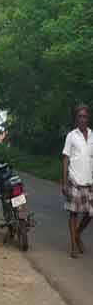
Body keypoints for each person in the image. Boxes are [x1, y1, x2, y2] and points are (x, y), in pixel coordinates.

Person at [61, 104, 93, 257]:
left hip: (88, 183)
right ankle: (73, 246)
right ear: (76, 118)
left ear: (88, 118)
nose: (82, 119)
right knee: (73, 214)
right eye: (79, 116)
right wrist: (64, 182)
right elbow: (65, 158)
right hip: (74, 181)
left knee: (89, 213)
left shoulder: (92, 136)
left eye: (84, 116)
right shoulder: (71, 136)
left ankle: (77, 234)